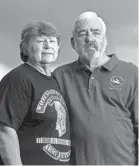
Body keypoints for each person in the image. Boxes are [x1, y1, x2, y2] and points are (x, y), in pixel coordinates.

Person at [54, 11, 138, 165]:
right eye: (82, 34)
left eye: (96, 33)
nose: (89, 38)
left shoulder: (131, 73)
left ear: (105, 40)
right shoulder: (60, 76)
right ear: (73, 43)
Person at [0, 21, 71, 165]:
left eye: (52, 41)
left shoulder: (54, 80)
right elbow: (5, 130)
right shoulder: (19, 78)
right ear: (25, 48)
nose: (48, 46)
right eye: (40, 41)